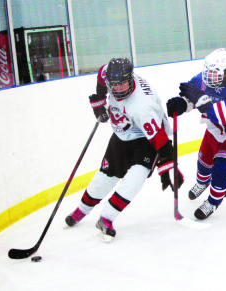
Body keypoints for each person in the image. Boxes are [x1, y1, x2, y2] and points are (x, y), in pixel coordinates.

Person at [66, 57, 184, 241]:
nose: (118, 88)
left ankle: (106, 218)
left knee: (134, 180)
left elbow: (159, 139)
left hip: (147, 140)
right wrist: (98, 103)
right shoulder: (108, 74)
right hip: (122, 135)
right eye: (115, 85)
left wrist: (169, 165)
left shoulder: (142, 106)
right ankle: (81, 210)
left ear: (131, 79)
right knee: (105, 177)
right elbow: (100, 79)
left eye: (123, 84)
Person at [167, 48, 226, 220]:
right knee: (204, 160)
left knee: (222, 168)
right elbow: (192, 97)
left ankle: (213, 202)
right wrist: (182, 104)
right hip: (214, 127)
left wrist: (203, 101)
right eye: (208, 71)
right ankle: (202, 182)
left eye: (214, 72)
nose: (209, 76)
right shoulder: (205, 79)